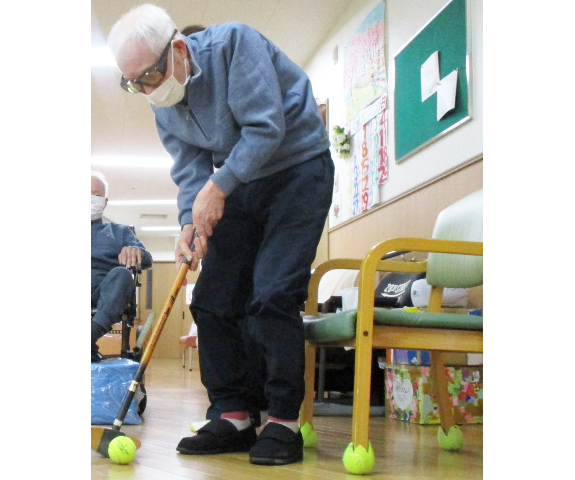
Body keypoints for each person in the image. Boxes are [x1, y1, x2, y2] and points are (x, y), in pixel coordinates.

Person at [107, 4, 334, 466]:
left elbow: (266, 128)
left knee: (271, 293)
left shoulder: (235, 45)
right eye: (135, 84)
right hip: (240, 181)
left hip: (297, 170)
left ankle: (283, 422)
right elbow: (190, 168)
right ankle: (233, 415)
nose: (148, 89)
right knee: (212, 298)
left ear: (177, 48)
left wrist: (216, 188)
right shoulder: (161, 101)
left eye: (150, 75)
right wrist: (190, 223)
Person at [91, 171, 153, 362]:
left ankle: (90, 334)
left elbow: (147, 259)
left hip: (104, 293)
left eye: (96, 195)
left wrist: (136, 251)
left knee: (122, 273)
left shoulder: (118, 231)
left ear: (105, 202)